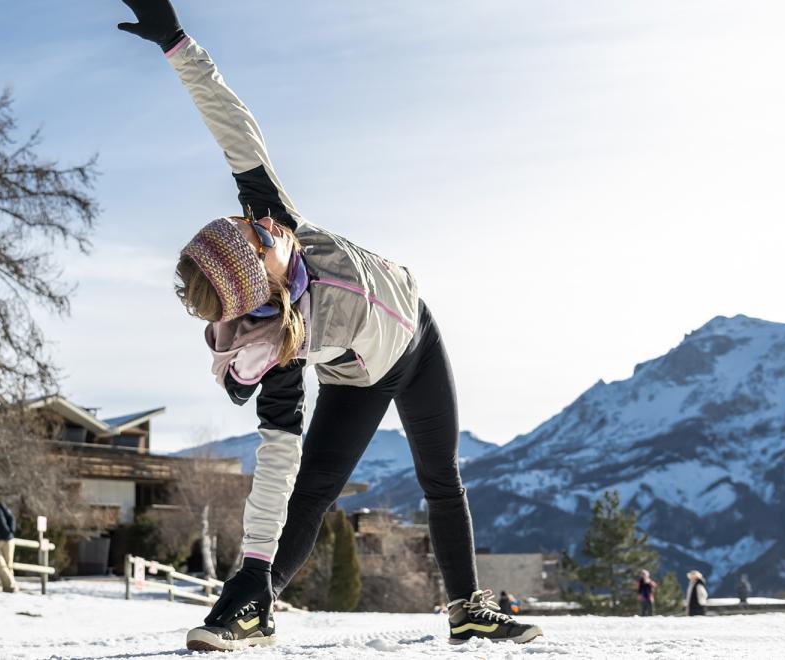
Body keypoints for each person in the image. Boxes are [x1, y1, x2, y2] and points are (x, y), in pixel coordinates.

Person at [113, 0, 543, 651]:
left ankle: (468, 610)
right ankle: (251, 603)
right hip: (363, 377)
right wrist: (253, 564)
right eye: (256, 237)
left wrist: (176, 43)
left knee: (442, 477)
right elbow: (276, 460)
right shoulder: (280, 346)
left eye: (248, 223)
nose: (261, 224)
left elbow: (231, 123)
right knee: (313, 488)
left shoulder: (272, 217)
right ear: (258, 282)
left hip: (419, 334)